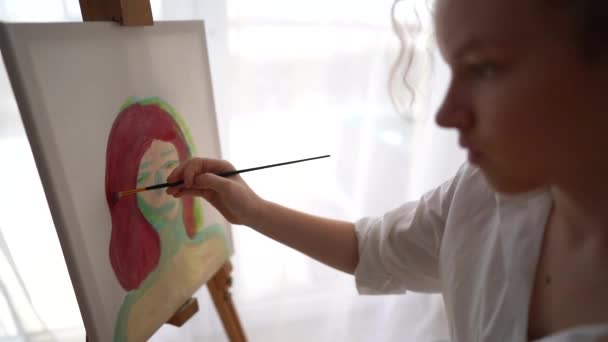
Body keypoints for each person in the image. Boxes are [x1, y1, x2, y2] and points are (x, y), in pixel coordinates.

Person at [166, 0, 608, 340]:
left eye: (483, 69)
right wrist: (254, 211)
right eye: (452, 70)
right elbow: (375, 250)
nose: (446, 114)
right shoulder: (479, 192)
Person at [105, 97, 229, 341]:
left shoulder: (215, 244)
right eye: (143, 178)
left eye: (171, 166)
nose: (160, 188)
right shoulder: (135, 312)